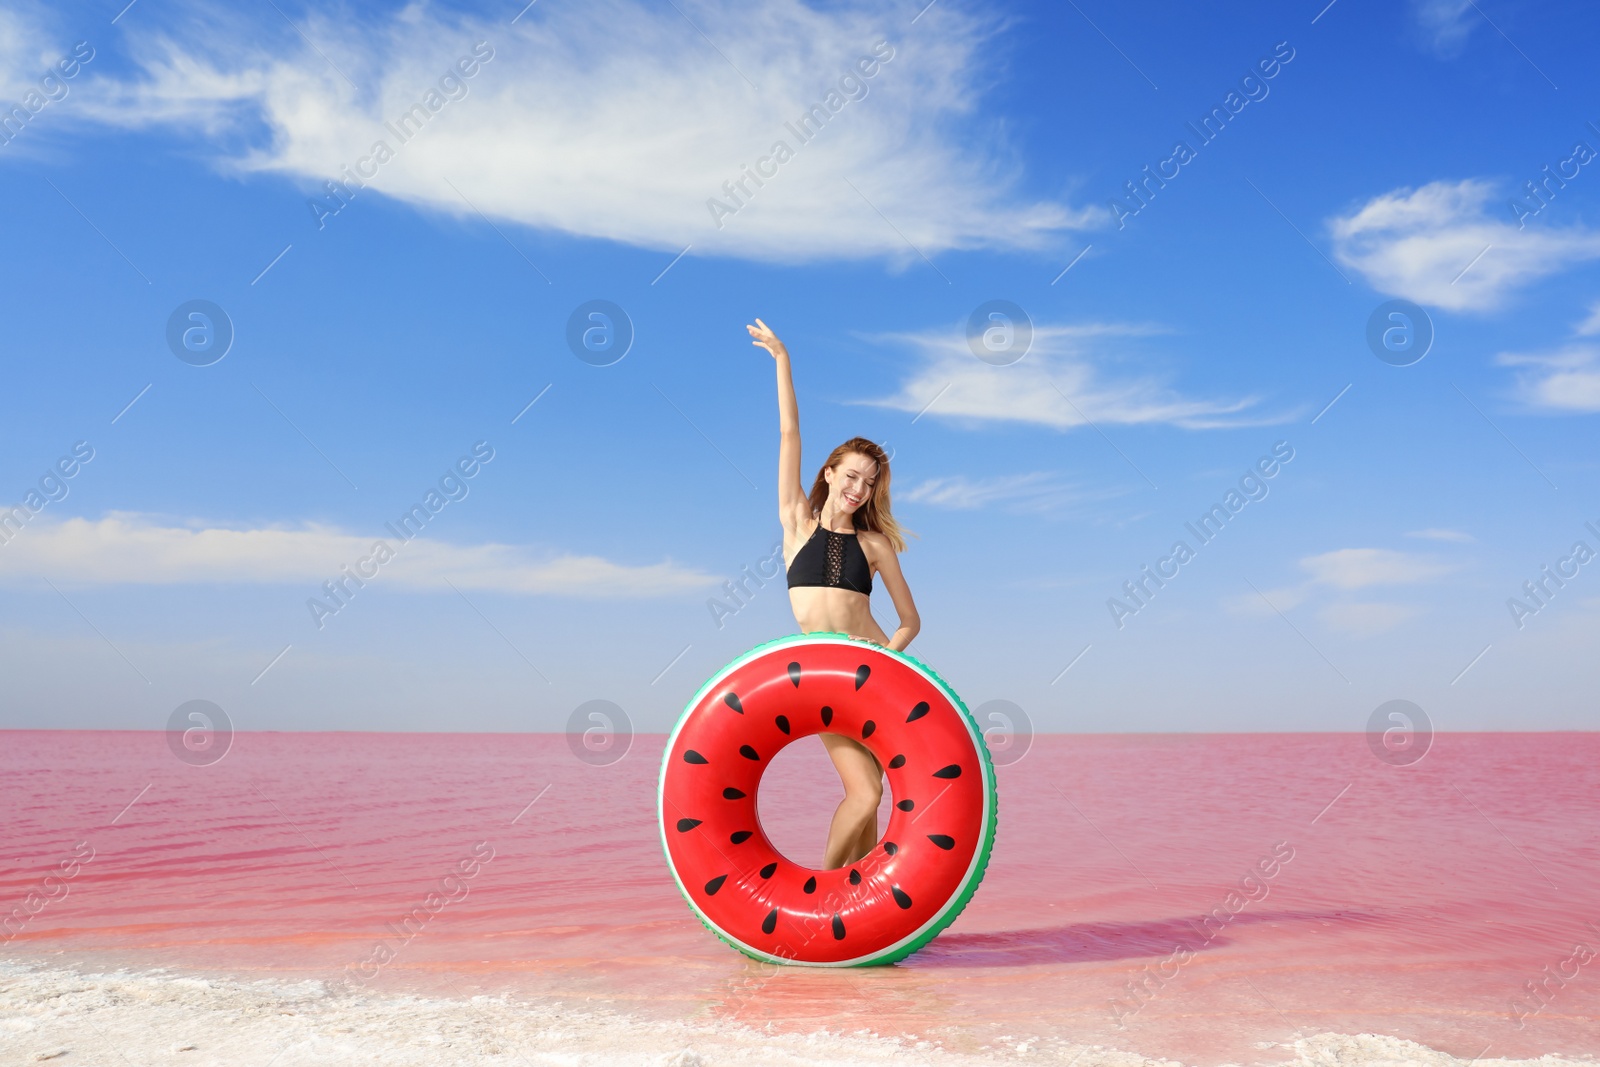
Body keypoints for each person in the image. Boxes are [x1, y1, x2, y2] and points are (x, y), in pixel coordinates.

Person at [747, 317, 921, 869]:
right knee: (866, 792)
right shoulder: (796, 522)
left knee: (873, 796)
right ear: (830, 472)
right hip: (824, 677)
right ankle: (826, 896)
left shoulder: (874, 545)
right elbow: (788, 435)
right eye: (851, 476)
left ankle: (857, 916)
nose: (858, 489)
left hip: (873, 675)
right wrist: (781, 358)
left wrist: (883, 661)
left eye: (869, 482)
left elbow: (910, 621)